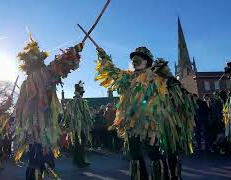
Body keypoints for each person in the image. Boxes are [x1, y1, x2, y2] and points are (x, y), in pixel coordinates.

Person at [95, 46, 197, 179]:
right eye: (133, 58)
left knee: (155, 154)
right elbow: (112, 72)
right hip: (131, 124)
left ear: (147, 61)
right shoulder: (128, 77)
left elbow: (167, 96)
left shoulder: (155, 77)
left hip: (152, 124)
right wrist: (104, 57)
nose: (134, 60)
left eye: (138, 58)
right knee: (135, 155)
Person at [13, 34, 83, 178]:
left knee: (39, 158)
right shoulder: (36, 77)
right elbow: (59, 65)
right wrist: (73, 52)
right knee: (39, 159)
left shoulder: (37, 76)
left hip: (43, 125)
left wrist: (73, 52)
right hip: (37, 127)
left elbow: (60, 65)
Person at [60, 81, 94, 168]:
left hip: (74, 127)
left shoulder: (70, 102)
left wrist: (66, 124)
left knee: (77, 143)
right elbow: (86, 115)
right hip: (80, 127)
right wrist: (89, 123)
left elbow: (66, 115)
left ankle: (77, 160)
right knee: (80, 143)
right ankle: (80, 161)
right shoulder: (81, 102)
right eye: (82, 92)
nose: (82, 94)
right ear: (80, 92)